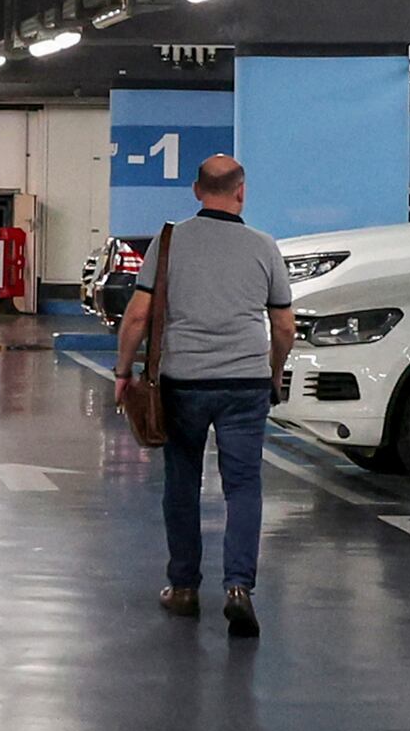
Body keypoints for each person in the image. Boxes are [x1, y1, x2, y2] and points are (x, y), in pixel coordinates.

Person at [114, 149, 296, 634]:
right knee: (243, 486)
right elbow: (284, 326)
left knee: (182, 483)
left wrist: (122, 371)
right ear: (242, 191)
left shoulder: (168, 242)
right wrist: (274, 373)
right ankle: (238, 587)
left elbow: (136, 314)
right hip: (245, 383)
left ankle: (185, 588)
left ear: (196, 191)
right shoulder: (264, 246)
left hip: (184, 382)